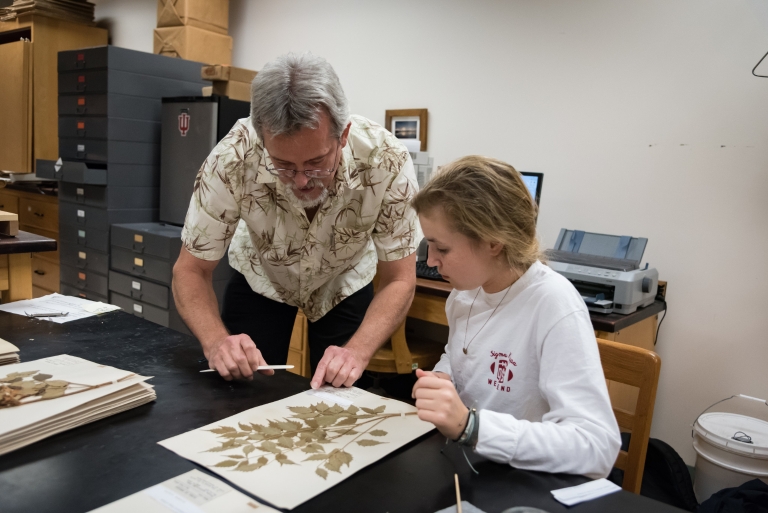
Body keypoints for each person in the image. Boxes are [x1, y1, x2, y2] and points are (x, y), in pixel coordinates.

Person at [172, 53, 420, 389]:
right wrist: (216, 341)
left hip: (343, 279)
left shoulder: (385, 160)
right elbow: (190, 270)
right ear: (261, 138)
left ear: (343, 135)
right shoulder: (233, 157)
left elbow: (399, 279)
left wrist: (358, 353)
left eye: (317, 162)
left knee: (338, 394)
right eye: (283, 164)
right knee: (244, 387)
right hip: (262, 274)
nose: (302, 181)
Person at [410, 155, 621, 478]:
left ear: (494, 242)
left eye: (442, 248)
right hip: (471, 464)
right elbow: (459, 355)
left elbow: (596, 446)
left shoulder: (554, 305)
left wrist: (473, 427)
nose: (432, 260)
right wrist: (443, 378)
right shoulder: (465, 292)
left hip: (529, 480)